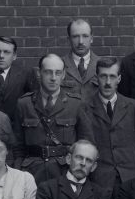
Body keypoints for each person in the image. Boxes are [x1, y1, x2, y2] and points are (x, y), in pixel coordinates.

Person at [11, 53, 93, 183]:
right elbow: (17, 146)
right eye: (48, 72)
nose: (53, 78)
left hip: (64, 173)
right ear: (39, 74)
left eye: (58, 73)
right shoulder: (24, 104)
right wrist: (18, 173)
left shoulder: (76, 104)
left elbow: (86, 144)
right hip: (31, 174)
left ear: (64, 75)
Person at [81, 56, 135, 191]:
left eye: (112, 76)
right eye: (103, 76)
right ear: (96, 78)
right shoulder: (85, 108)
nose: (108, 82)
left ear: (119, 79)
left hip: (130, 177)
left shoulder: (133, 106)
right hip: (100, 180)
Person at [0, 36, 36, 122]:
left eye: (6, 52)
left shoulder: (26, 73)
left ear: (14, 56)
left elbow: (34, 102)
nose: (1, 56)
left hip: (17, 127)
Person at [60, 18, 100, 103]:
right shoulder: (59, 65)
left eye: (85, 36)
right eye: (75, 36)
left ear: (91, 38)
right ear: (69, 40)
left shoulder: (102, 65)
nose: (81, 41)